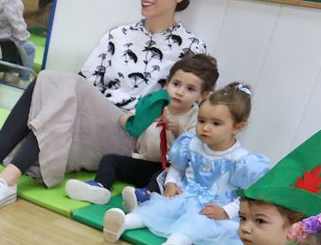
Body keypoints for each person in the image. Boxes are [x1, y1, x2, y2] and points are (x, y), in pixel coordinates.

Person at [0, 0, 210, 216]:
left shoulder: (191, 49)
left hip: (137, 137)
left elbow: (190, 109)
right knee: (50, 82)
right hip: (93, 124)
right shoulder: (118, 36)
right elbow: (84, 83)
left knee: (57, 82)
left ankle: (4, 180)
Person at [103, 83, 271, 245]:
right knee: (159, 209)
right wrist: (171, 183)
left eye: (216, 123)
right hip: (185, 195)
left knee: (196, 223)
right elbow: (177, 167)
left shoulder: (241, 160)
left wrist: (225, 211)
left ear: (238, 127)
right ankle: (123, 222)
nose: (205, 128)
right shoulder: (191, 143)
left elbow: (247, 195)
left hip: (213, 207)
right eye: (201, 120)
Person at [64, 52, 219, 206]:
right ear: (167, 84)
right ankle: (100, 187)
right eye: (176, 84)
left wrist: (177, 129)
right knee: (109, 160)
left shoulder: (197, 117)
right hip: (143, 162)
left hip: (167, 168)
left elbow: (192, 148)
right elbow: (125, 119)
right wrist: (138, 122)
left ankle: (144, 196)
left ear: (202, 95)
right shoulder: (155, 105)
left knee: (162, 177)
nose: (180, 92)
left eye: (190, 89)